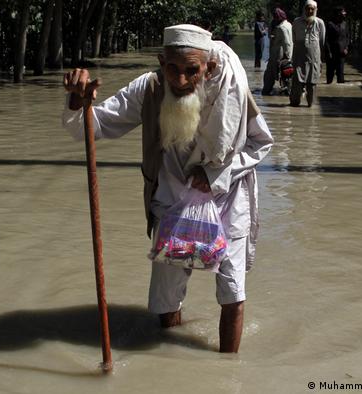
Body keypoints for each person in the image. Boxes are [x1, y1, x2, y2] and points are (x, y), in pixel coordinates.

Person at [61, 24, 274, 353]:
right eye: (172, 68)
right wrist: (79, 103)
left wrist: (217, 172)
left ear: (210, 67)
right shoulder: (148, 89)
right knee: (165, 297)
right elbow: (93, 127)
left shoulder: (232, 91)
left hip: (227, 205)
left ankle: (229, 369)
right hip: (171, 205)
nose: (182, 80)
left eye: (192, 70)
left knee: (232, 294)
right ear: (161, 62)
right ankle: (166, 354)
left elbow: (261, 144)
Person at [290, 0, 325, 107]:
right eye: (307, 8)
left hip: (314, 57)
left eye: (312, 9)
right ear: (304, 9)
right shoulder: (296, 22)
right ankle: (294, 104)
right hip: (299, 56)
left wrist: (320, 59)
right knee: (296, 82)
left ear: (315, 10)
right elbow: (294, 39)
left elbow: (321, 41)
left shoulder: (319, 23)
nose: (309, 11)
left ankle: (311, 106)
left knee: (312, 82)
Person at [262, 8, 293, 95]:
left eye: (276, 17)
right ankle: (287, 92)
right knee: (285, 76)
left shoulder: (281, 28)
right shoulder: (288, 25)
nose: (275, 19)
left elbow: (287, 43)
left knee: (270, 75)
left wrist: (287, 58)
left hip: (279, 56)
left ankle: (265, 92)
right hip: (282, 55)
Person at [325, 6, 350, 84]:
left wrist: (346, 48)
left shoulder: (345, 24)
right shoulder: (330, 24)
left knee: (340, 75)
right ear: (338, 13)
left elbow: (347, 37)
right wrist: (328, 52)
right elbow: (326, 39)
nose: (345, 14)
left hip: (341, 53)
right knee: (329, 75)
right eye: (343, 12)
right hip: (332, 53)